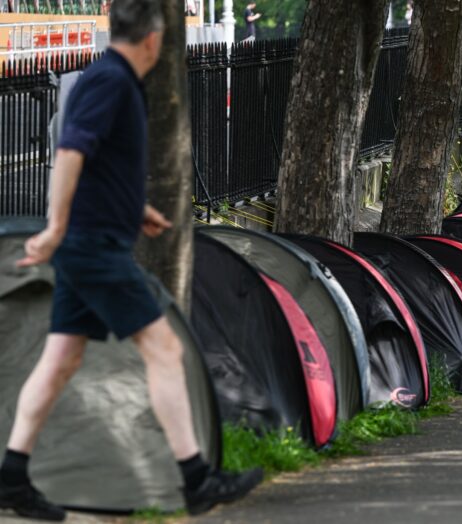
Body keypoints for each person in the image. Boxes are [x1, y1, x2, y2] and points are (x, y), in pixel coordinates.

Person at [0, 0, 262, 521]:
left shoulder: (108, 79)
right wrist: (55, 228)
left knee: (60, 361)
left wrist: (134, 209)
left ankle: (11, 477)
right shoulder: (113, 81)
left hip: (92, 242)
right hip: (94, 248)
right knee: (165, 349)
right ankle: (197, 480)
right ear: (152, 39)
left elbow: (98, 162)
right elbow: (70, 154)